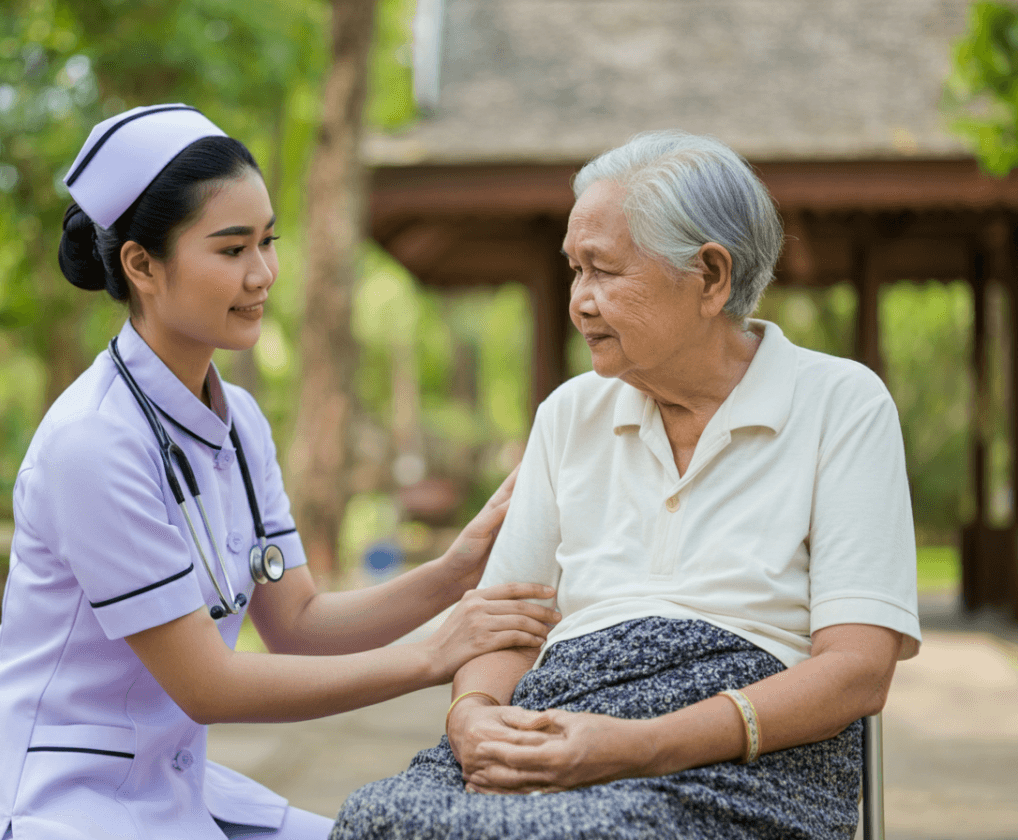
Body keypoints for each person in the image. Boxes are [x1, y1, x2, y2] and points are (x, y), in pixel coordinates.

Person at [0, 104, 560, 840]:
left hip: (167, 790)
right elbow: (208, 684)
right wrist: (433, 654)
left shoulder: (241, 423)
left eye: (267, 242)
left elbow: (294, 623)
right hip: (57, 805)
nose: (263, 274)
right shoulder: (92, 444)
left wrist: (456, 572)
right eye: (231, 250)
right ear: (141, 265)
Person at [330, 130, 923, 840]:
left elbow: (858, 671)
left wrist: (637, 746)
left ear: (710, 277)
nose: (580, 300)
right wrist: (474, 718)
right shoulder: (570, 414)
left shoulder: (842, 403)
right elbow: (505, 627)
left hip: (744, 751)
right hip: (564, 717)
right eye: (575, 270)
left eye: (604, 272)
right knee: (376, 818)